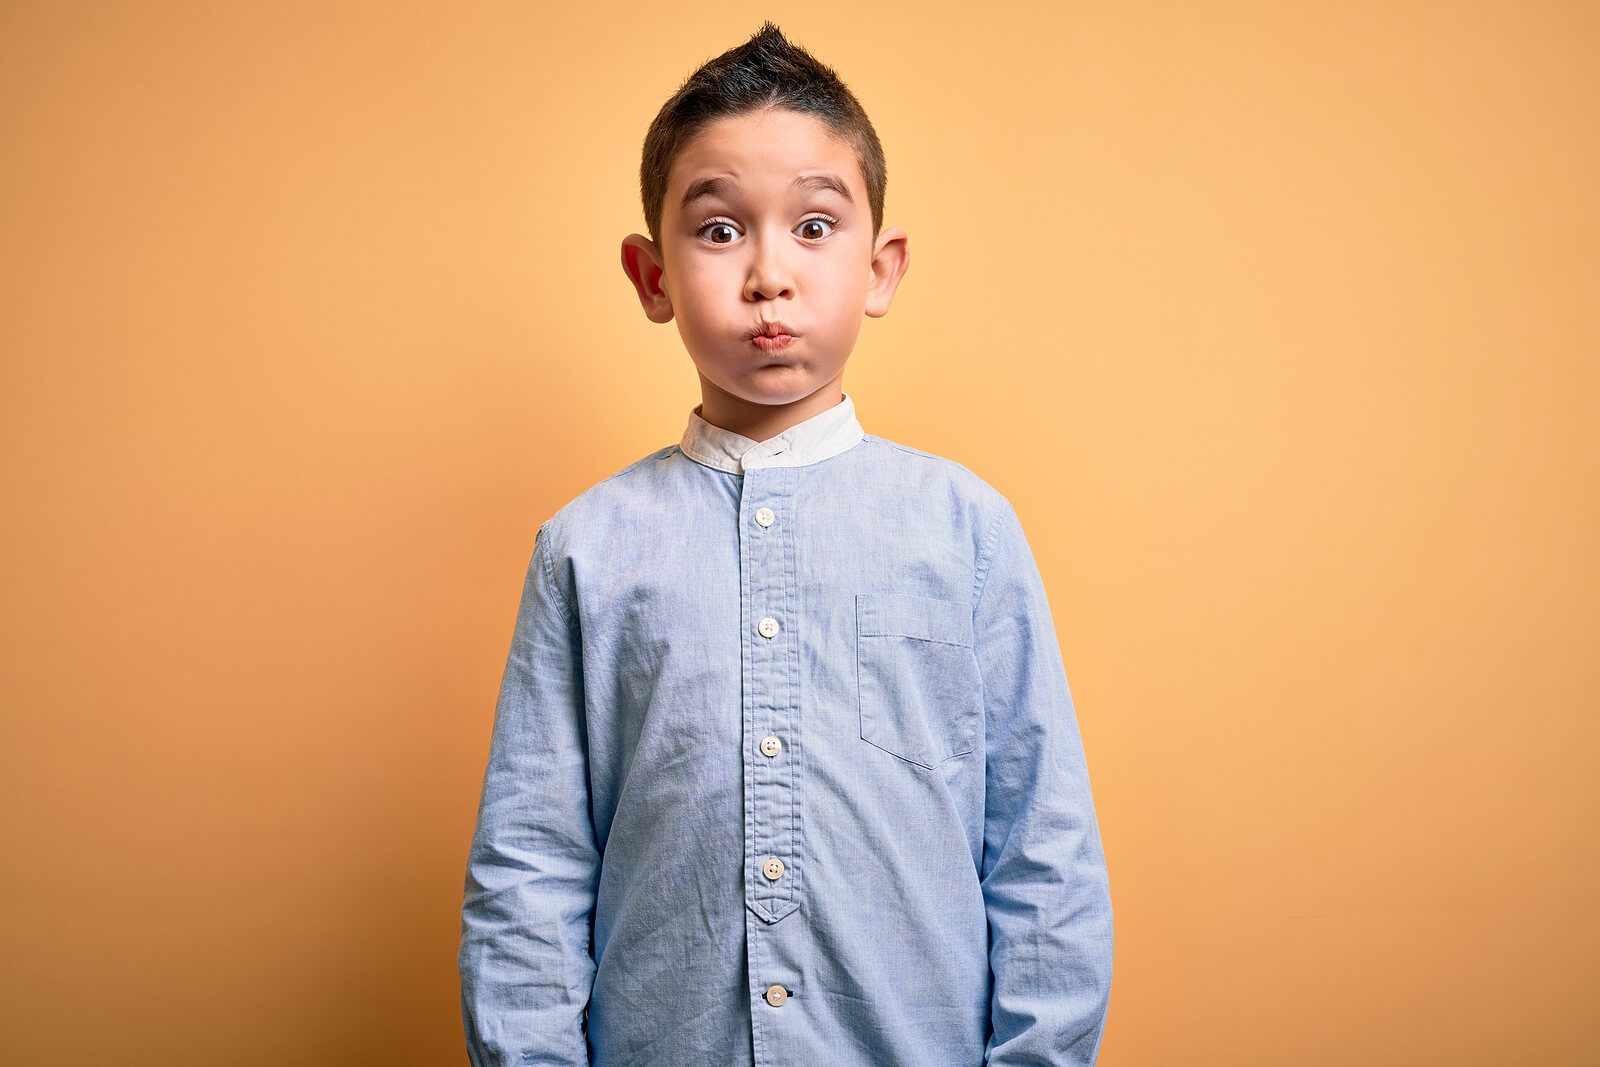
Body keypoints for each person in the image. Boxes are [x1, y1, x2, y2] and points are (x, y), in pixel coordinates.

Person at [458, 21, 1113, 1066]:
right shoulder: (584, 550)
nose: (769, 273)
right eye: (719, 231)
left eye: (814, 225)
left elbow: (1043, 848)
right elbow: (530, 869)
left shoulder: (965, 528)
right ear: (650, 274)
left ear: (879, 269)